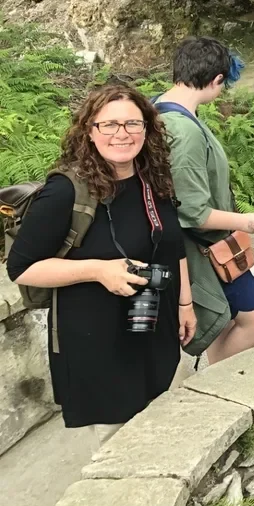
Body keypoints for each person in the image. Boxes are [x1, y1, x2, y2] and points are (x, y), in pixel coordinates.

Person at [6, 83, 195, 437]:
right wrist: (97, 270)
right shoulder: (65, 191)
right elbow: (21, 268)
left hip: (154, 323)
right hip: (96, 340)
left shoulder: (153, 178)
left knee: (155, 424)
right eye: (108, 125)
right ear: (90, 132)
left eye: (132, 124)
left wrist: (185, 303)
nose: (121, 134)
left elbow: (173, 245)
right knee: (115, 440)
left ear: (147, 128)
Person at [155, 37, 254, 364]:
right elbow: (192, 212)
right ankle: (218, 382)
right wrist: (249, 222)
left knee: (224, 321)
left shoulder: (159, 107)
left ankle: (216, 373)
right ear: (216, 79)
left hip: (194, 247)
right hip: (203, 249)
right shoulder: (184, 129)